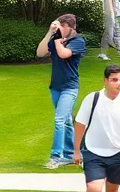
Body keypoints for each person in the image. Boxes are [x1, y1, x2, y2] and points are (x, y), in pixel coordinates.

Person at [36, 14, 86, 170]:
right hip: (55, 86)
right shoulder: (56, 38)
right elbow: (40, 52)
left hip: (69, 87)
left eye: (63, 27)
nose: (61, 29)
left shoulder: (78, 41)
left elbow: (64, 54)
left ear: (72, 27)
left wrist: (58, 42)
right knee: (65, 121)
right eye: (60, 26)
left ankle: (55, 157)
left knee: (59, 120)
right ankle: (71, 154)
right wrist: (49, 33)